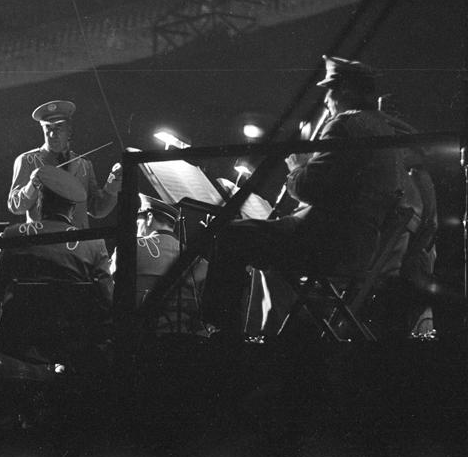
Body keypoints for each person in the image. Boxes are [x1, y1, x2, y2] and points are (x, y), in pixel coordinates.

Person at [201, 55, 413, 336]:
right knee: (254, 238)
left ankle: (221, 334)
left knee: (230, 235)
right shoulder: (385, 132)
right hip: (358, 249)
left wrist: (297, 168)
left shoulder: (344, 125)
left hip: (326, 245)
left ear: (344, 90)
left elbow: (309, 188)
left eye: (329, 91)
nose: (326, 101)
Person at [0, 165, 113, 362]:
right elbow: (106, 299)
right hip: (73, 347)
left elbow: (0, 287)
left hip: (20, 344)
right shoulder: (93, 243)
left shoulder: (13, 235)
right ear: (72, 209)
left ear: (40, 202)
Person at [7, 100, 122, 229]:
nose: (52, 134)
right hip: (43, 239)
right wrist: (31, 186)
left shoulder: (83, 164)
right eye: (48, 127)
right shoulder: (28, 161)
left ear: (69, 130)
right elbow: (14, 206)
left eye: (59, 127)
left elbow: (97, 209)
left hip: (77, 240)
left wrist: (113, 182)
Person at [110, 194, 208, 334]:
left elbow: (109, 292)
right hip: (183, 339)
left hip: (138, 337)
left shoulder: (130, 248)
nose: (137, 228)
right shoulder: (198, 261)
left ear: (149, 217)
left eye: (138, 222)